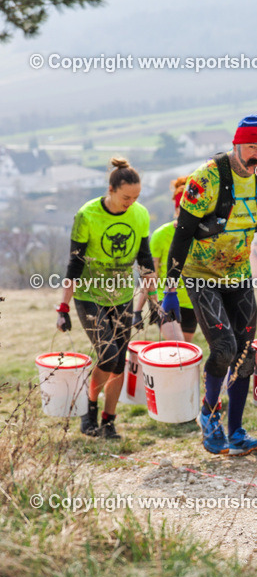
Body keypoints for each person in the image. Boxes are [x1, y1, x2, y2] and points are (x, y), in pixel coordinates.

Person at [161, 114, 257, 456]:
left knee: (245, 355)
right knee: (224, 349)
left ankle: (236, 434)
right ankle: (208, 416)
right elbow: (182, 234)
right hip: (201, 274)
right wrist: (170, 290)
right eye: (252, 147)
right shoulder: (206, 179)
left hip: (238, 274)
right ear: (236, 144)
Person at [57, 157, 157, 439]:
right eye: (126, 197)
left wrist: (154, 301)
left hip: (122, 294)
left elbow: (145, 261)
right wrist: (63, 307)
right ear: (111, 189)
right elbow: (74, 264)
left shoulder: (139, 214)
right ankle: (89, 410)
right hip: (90, 295)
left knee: (119, 361)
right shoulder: (87, 215)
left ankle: (108, 420)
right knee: (108, 354)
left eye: (136, 197)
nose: (131, 203)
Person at [147, 177, 196, 342]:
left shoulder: (202, 236)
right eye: (183, 210)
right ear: (176, 210)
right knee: (178, 345)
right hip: (165, 298)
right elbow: (151, 272)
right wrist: (153, 302)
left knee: (184, 352)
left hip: (191, 303)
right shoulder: (160, 235)